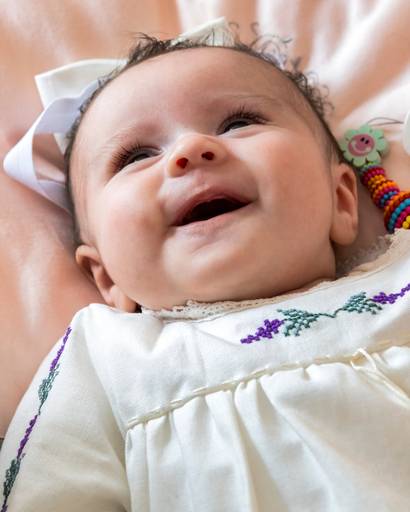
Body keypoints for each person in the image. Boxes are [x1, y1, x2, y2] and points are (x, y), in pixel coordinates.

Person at [1, 33, 410, 512]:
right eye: (135, 156)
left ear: (342, 202)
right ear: (106, 276)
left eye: (239, 123)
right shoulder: (105, 357)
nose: (191, 148)